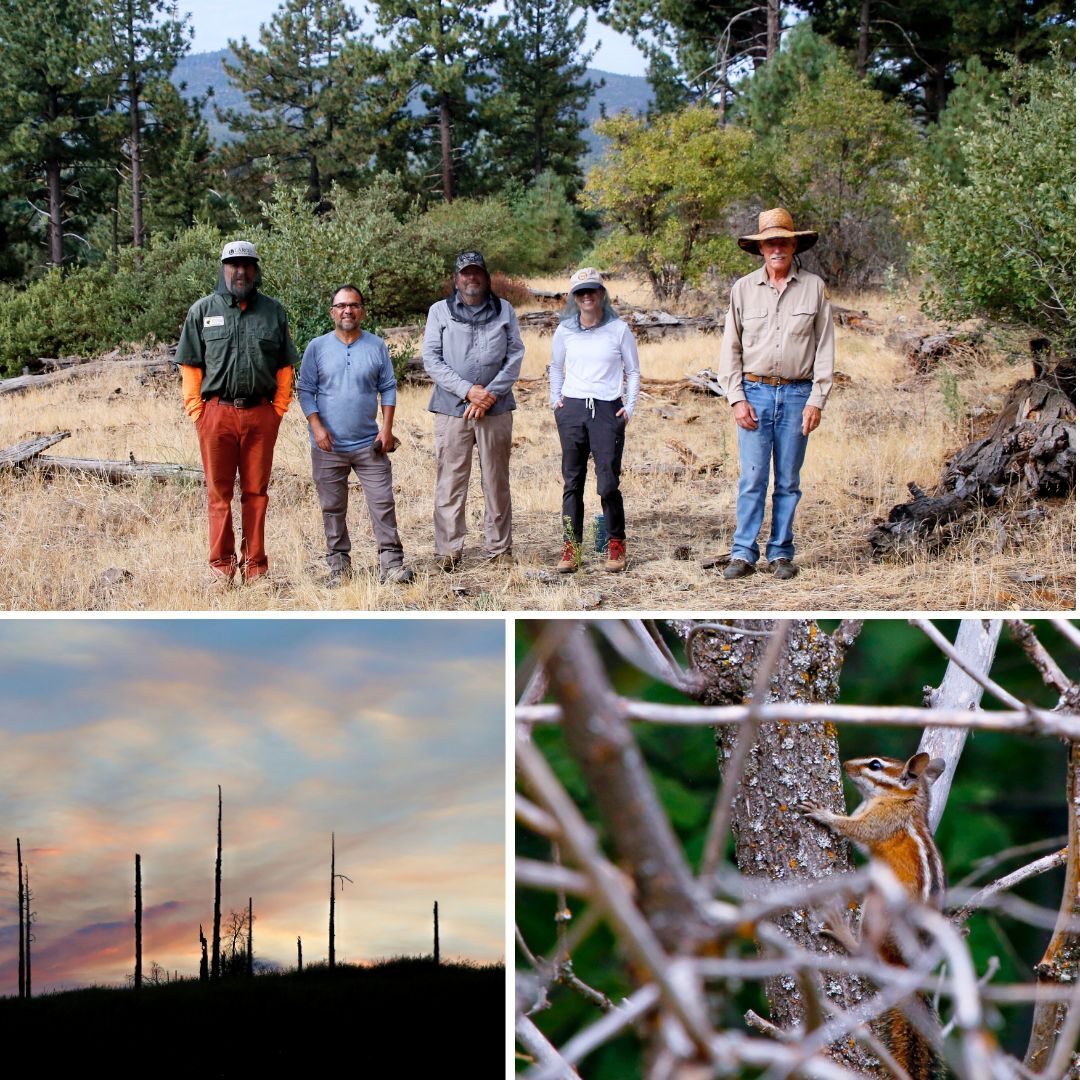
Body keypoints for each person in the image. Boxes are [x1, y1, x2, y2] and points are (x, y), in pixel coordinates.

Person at [717, 208, 834, 580]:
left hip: (798, 394)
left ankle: (781, 553)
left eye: (783, 241)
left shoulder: (814, 288)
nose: (777, 249)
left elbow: (825, 347)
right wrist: (736, 398)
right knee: (753, 478)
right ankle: (743, 553)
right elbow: (730, 347)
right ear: (761, 249)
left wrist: (817, 399)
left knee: (788, 481)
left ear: (794, 245)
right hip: (755, 392)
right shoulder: (743, 289)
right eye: (770, 243)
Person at [177, 240, 298, 585]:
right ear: (223, 269)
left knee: (256, 493)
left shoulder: (273, 311)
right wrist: (198, 413)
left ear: (256, 270)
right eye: (233, 265)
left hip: (261, 415)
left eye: (247, 265)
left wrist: (278, 410)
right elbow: (191, 366)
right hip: (216, 414)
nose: (240, 271)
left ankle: (255, 566)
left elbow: (285, 366)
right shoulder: (202, 310)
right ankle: (221, 566)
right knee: (219, 494)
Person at [297, 285, 414, 586]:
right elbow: (305, 390)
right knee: (332, 508)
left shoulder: (376, 346)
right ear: (332, 312)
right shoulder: (317, 348)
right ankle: (339, 567)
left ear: (362, 311)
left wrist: (386, 429)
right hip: (328, 446)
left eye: (353, 305)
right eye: (341, 306)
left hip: (369, 444)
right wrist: (317, 427)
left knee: (382, 502)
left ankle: (392, 565)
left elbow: (388, 388)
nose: (347, 310)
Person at [422, 251, 525, 570]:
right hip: (452, 409)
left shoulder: (504, 309)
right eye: (465, 273)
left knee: (496, 480)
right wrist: (468, 391)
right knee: (451, 481)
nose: (472, 278)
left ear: (486, 276)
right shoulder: (439, 311)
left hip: (496, 408)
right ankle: (448, 552)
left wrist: (489, 395)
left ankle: (499, 549)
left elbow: (515, 354)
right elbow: (431, 359)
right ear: (456, 279)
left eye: (477, 272)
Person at [549, 267, 640, 573]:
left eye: (591, 290)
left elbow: (633, 370)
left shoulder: (619, 330)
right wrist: (556, 400)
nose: (586, 297)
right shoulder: (565, 331)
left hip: (607, 409)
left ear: (601, 293)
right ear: (573, 298)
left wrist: (629, 406)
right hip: (572, 408)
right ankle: (571, 548)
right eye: (580, 292)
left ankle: (616, 545)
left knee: (608, 483)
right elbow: (556, 366)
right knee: (572, 482)